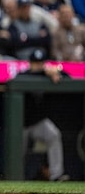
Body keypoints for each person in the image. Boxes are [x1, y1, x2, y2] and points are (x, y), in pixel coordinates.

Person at [14, 48, 70, 181]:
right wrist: (43, 72)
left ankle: (57, 175)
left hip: (38, 122)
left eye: (40, 63)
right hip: (20, 124)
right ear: (30, 63)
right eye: (35, 63)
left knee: (54, 134)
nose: (37, 65)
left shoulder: (47, 74)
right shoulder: (23, 75)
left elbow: (69, 77)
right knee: (18, 152)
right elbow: (16, 80)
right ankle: (15, 178)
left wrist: (57, 72)